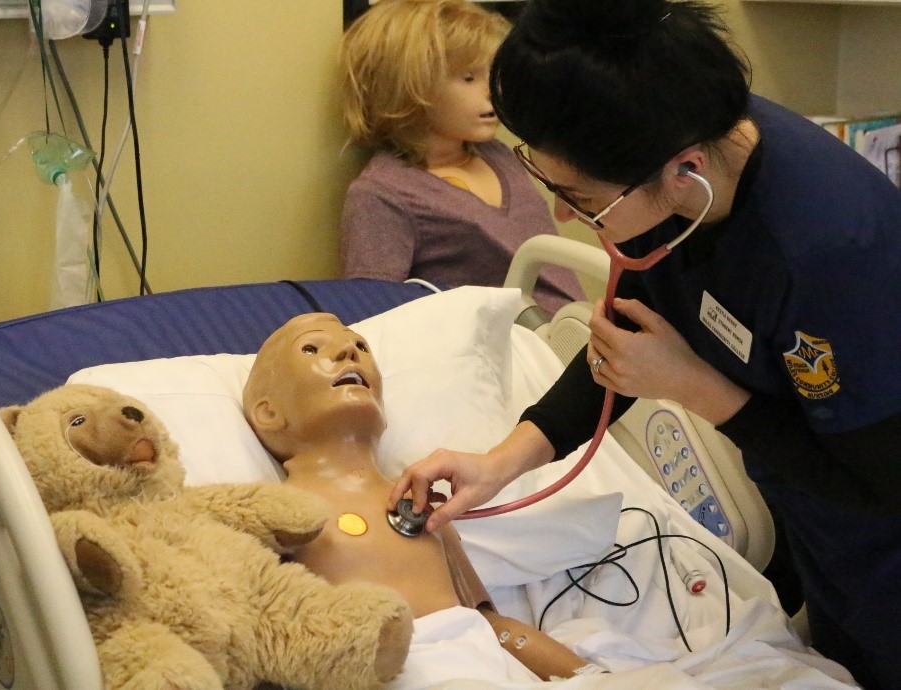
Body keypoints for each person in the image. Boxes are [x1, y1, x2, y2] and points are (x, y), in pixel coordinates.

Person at [387, 1, 901, 689]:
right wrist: (505, 459)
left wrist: (694, 388)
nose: (565, 215)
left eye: (577, 194)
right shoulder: (657, 141)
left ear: (684, 170)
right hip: (815, 518)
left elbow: (880, 480)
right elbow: (625, 336)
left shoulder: (829, 251)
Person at [241, 312, 601, 684]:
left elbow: (493, 628)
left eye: (361, 346)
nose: (349, 350)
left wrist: (593, 677)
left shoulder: (419, 507)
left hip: (482, 668)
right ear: (268, 413)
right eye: (312, 348)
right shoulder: (273, 514)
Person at [338, 0, 584, 317]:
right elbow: (371, 318)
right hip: (499, 353)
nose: (493, 91)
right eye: (468, 78)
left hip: (574, 334)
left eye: (493, 74)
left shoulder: (500, 155)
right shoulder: (383, 195)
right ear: (407, 86)